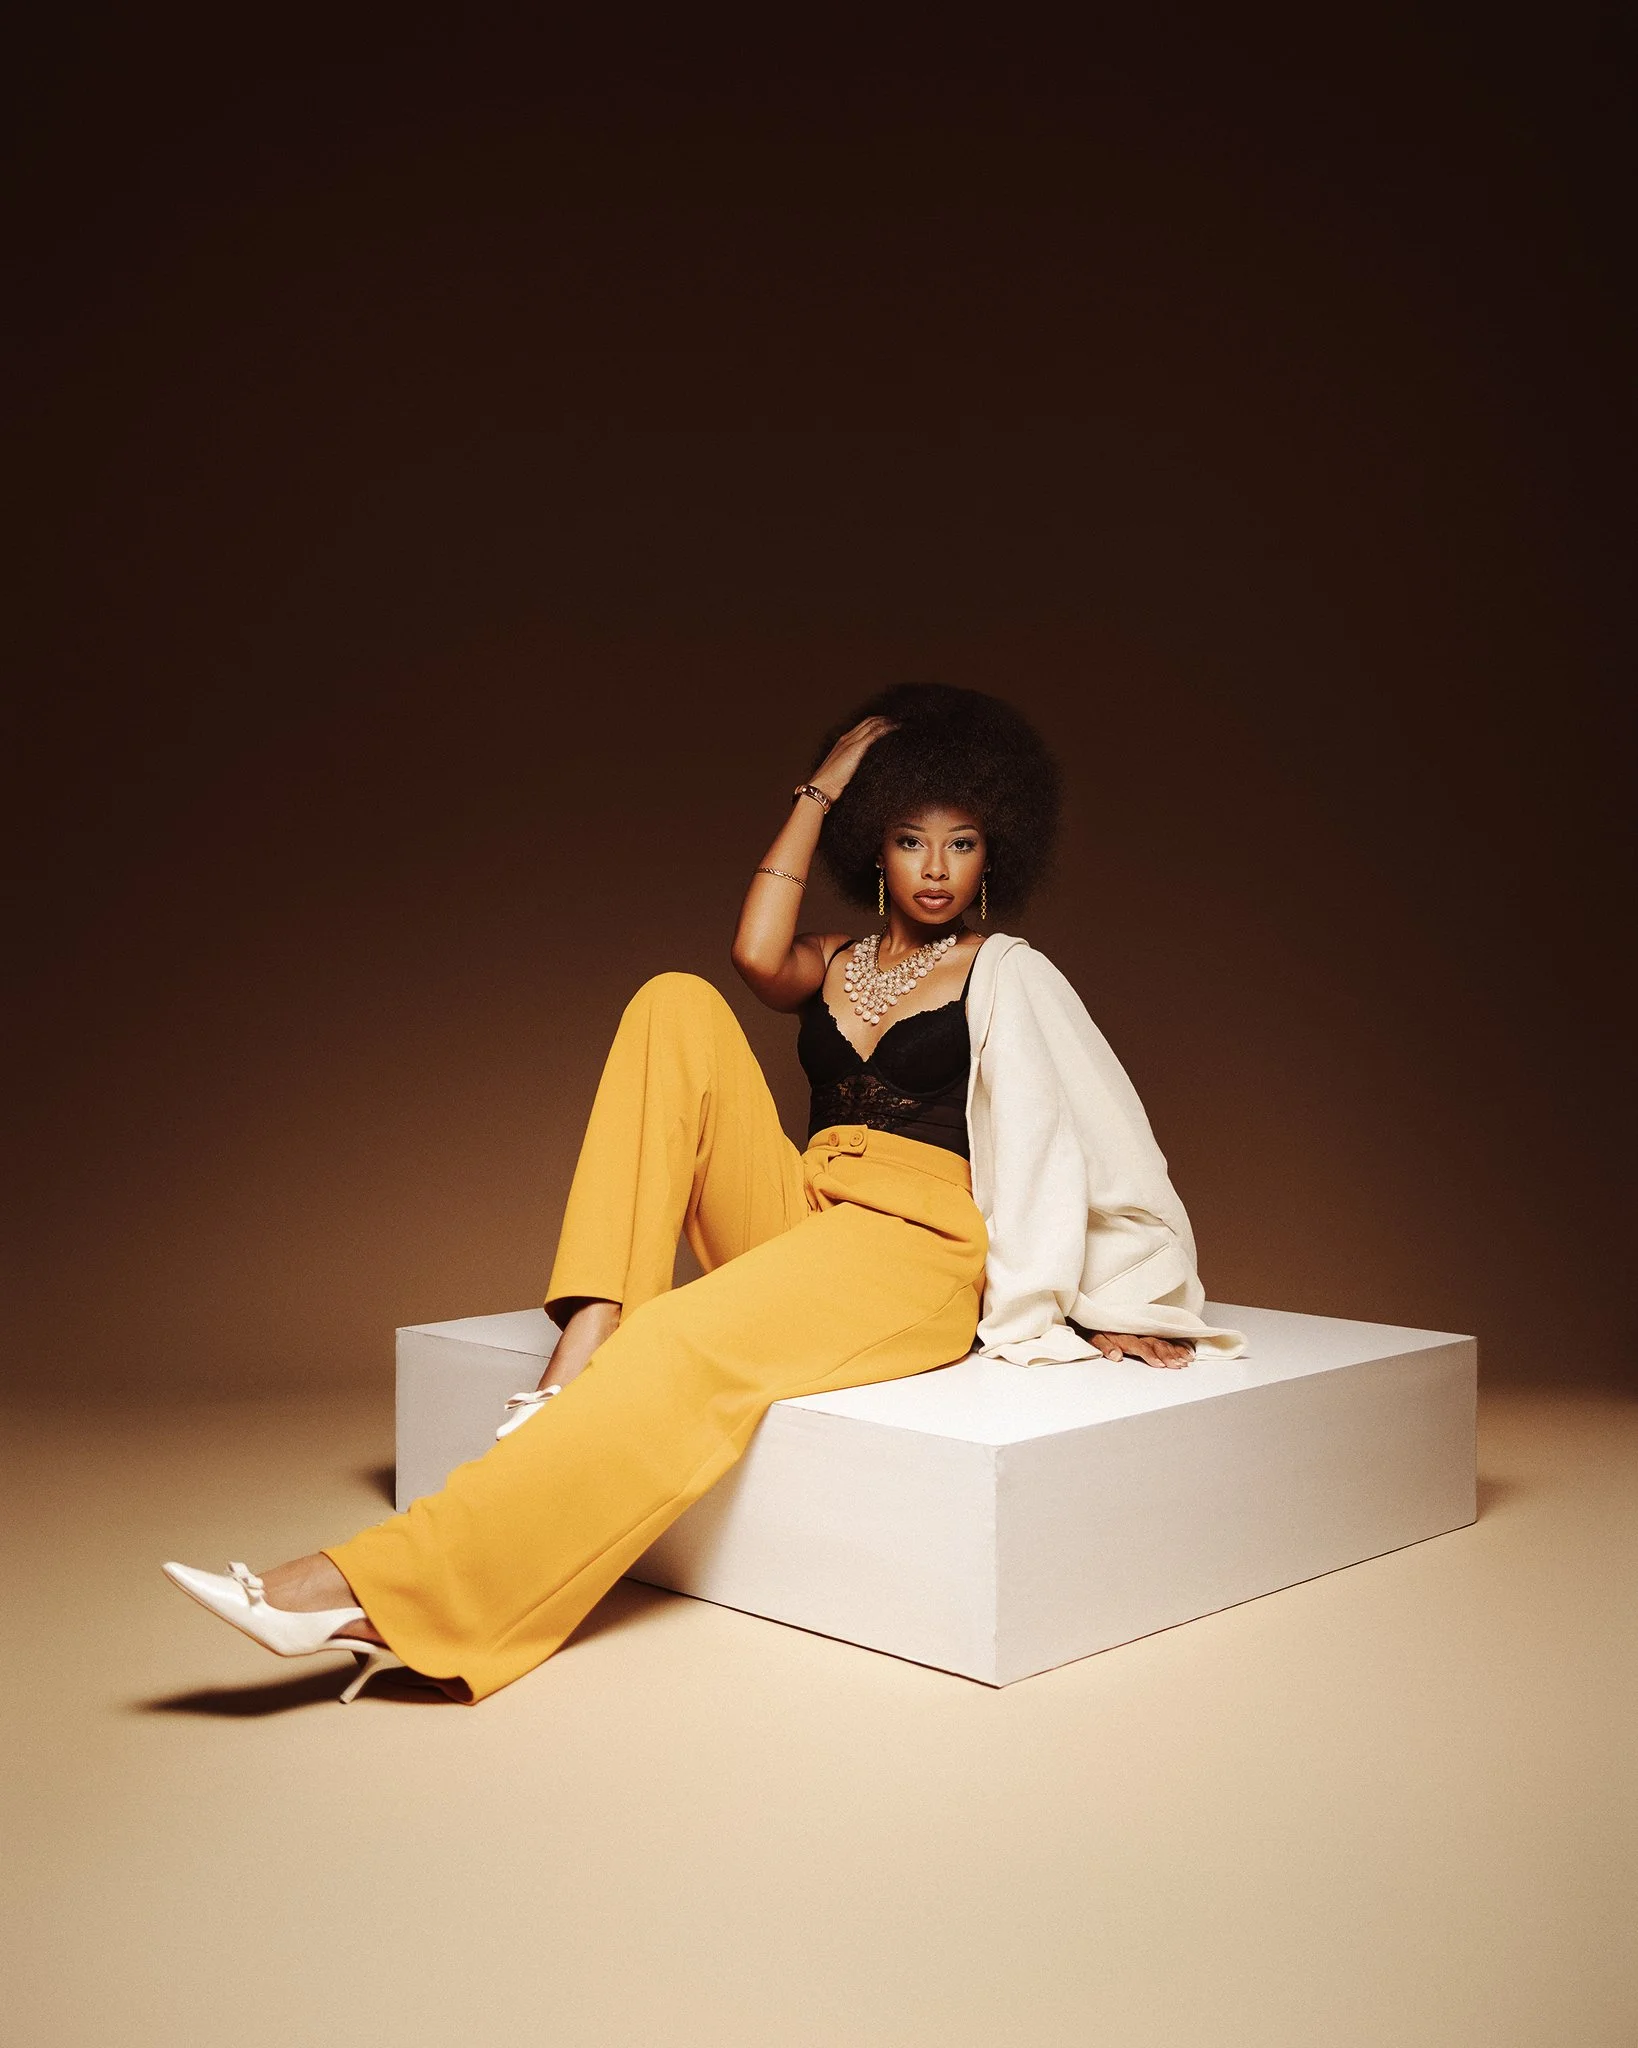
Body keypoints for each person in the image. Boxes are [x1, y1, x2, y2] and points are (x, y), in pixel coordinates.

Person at [163, 684, 1240, 1705]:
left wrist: (1113, 1296)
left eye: (960, 842)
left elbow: (1094, 1134)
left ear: (992, 850)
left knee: (679, 1347)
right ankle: (588, 1327)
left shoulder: (1006, 969)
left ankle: (376, 1595)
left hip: (916, 1243)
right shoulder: (837, 958)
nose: (935, 867)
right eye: (911, 838)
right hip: (802, 1205)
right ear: (875, 844)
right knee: (674, 999)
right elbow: (749, 951)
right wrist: (824, 785)